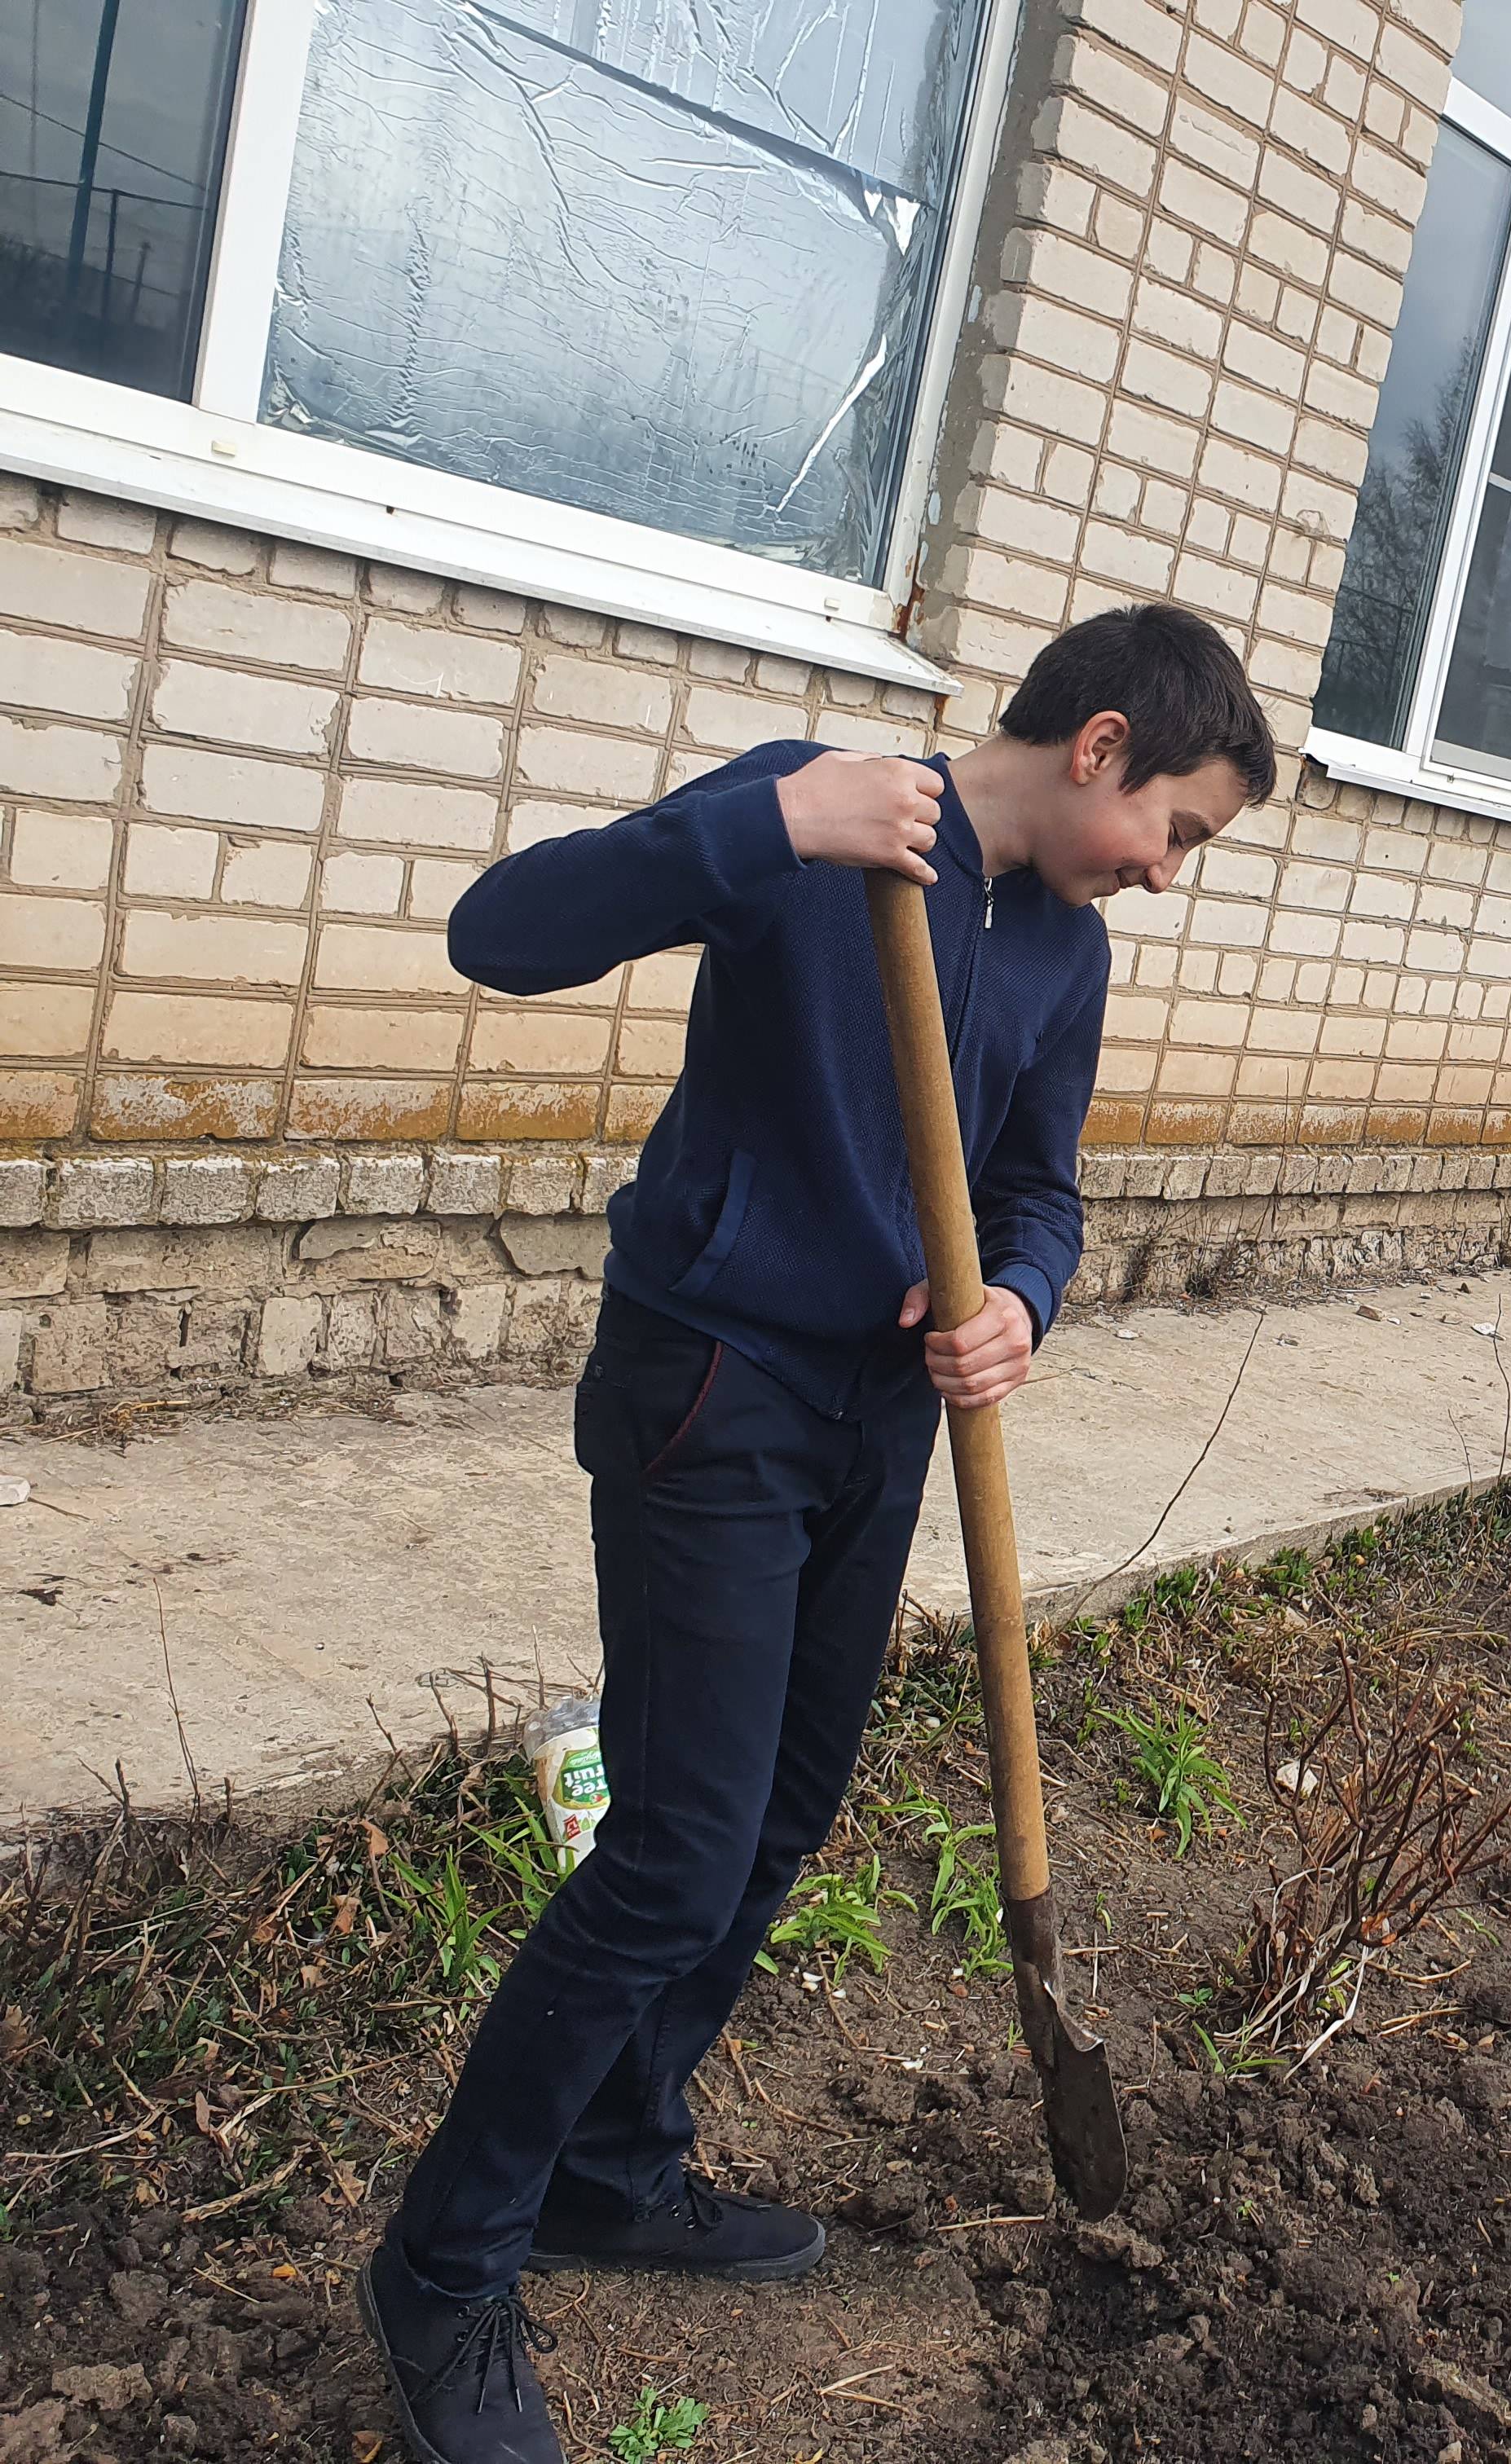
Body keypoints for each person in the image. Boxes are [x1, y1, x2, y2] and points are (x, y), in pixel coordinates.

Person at [362, 605, 1276, 2464]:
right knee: (676, 1857)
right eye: (1179, 830)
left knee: (779, 1814)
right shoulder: (832, 817)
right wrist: (763, 830)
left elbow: (1040, 1190)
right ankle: (444, 2271)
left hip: (881, 1425)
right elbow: (498, 934)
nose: (1168, 878)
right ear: (1102, 747)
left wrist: (1022, 1290)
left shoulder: (1064, 950)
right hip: (714, 1392)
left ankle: (617, 2160)